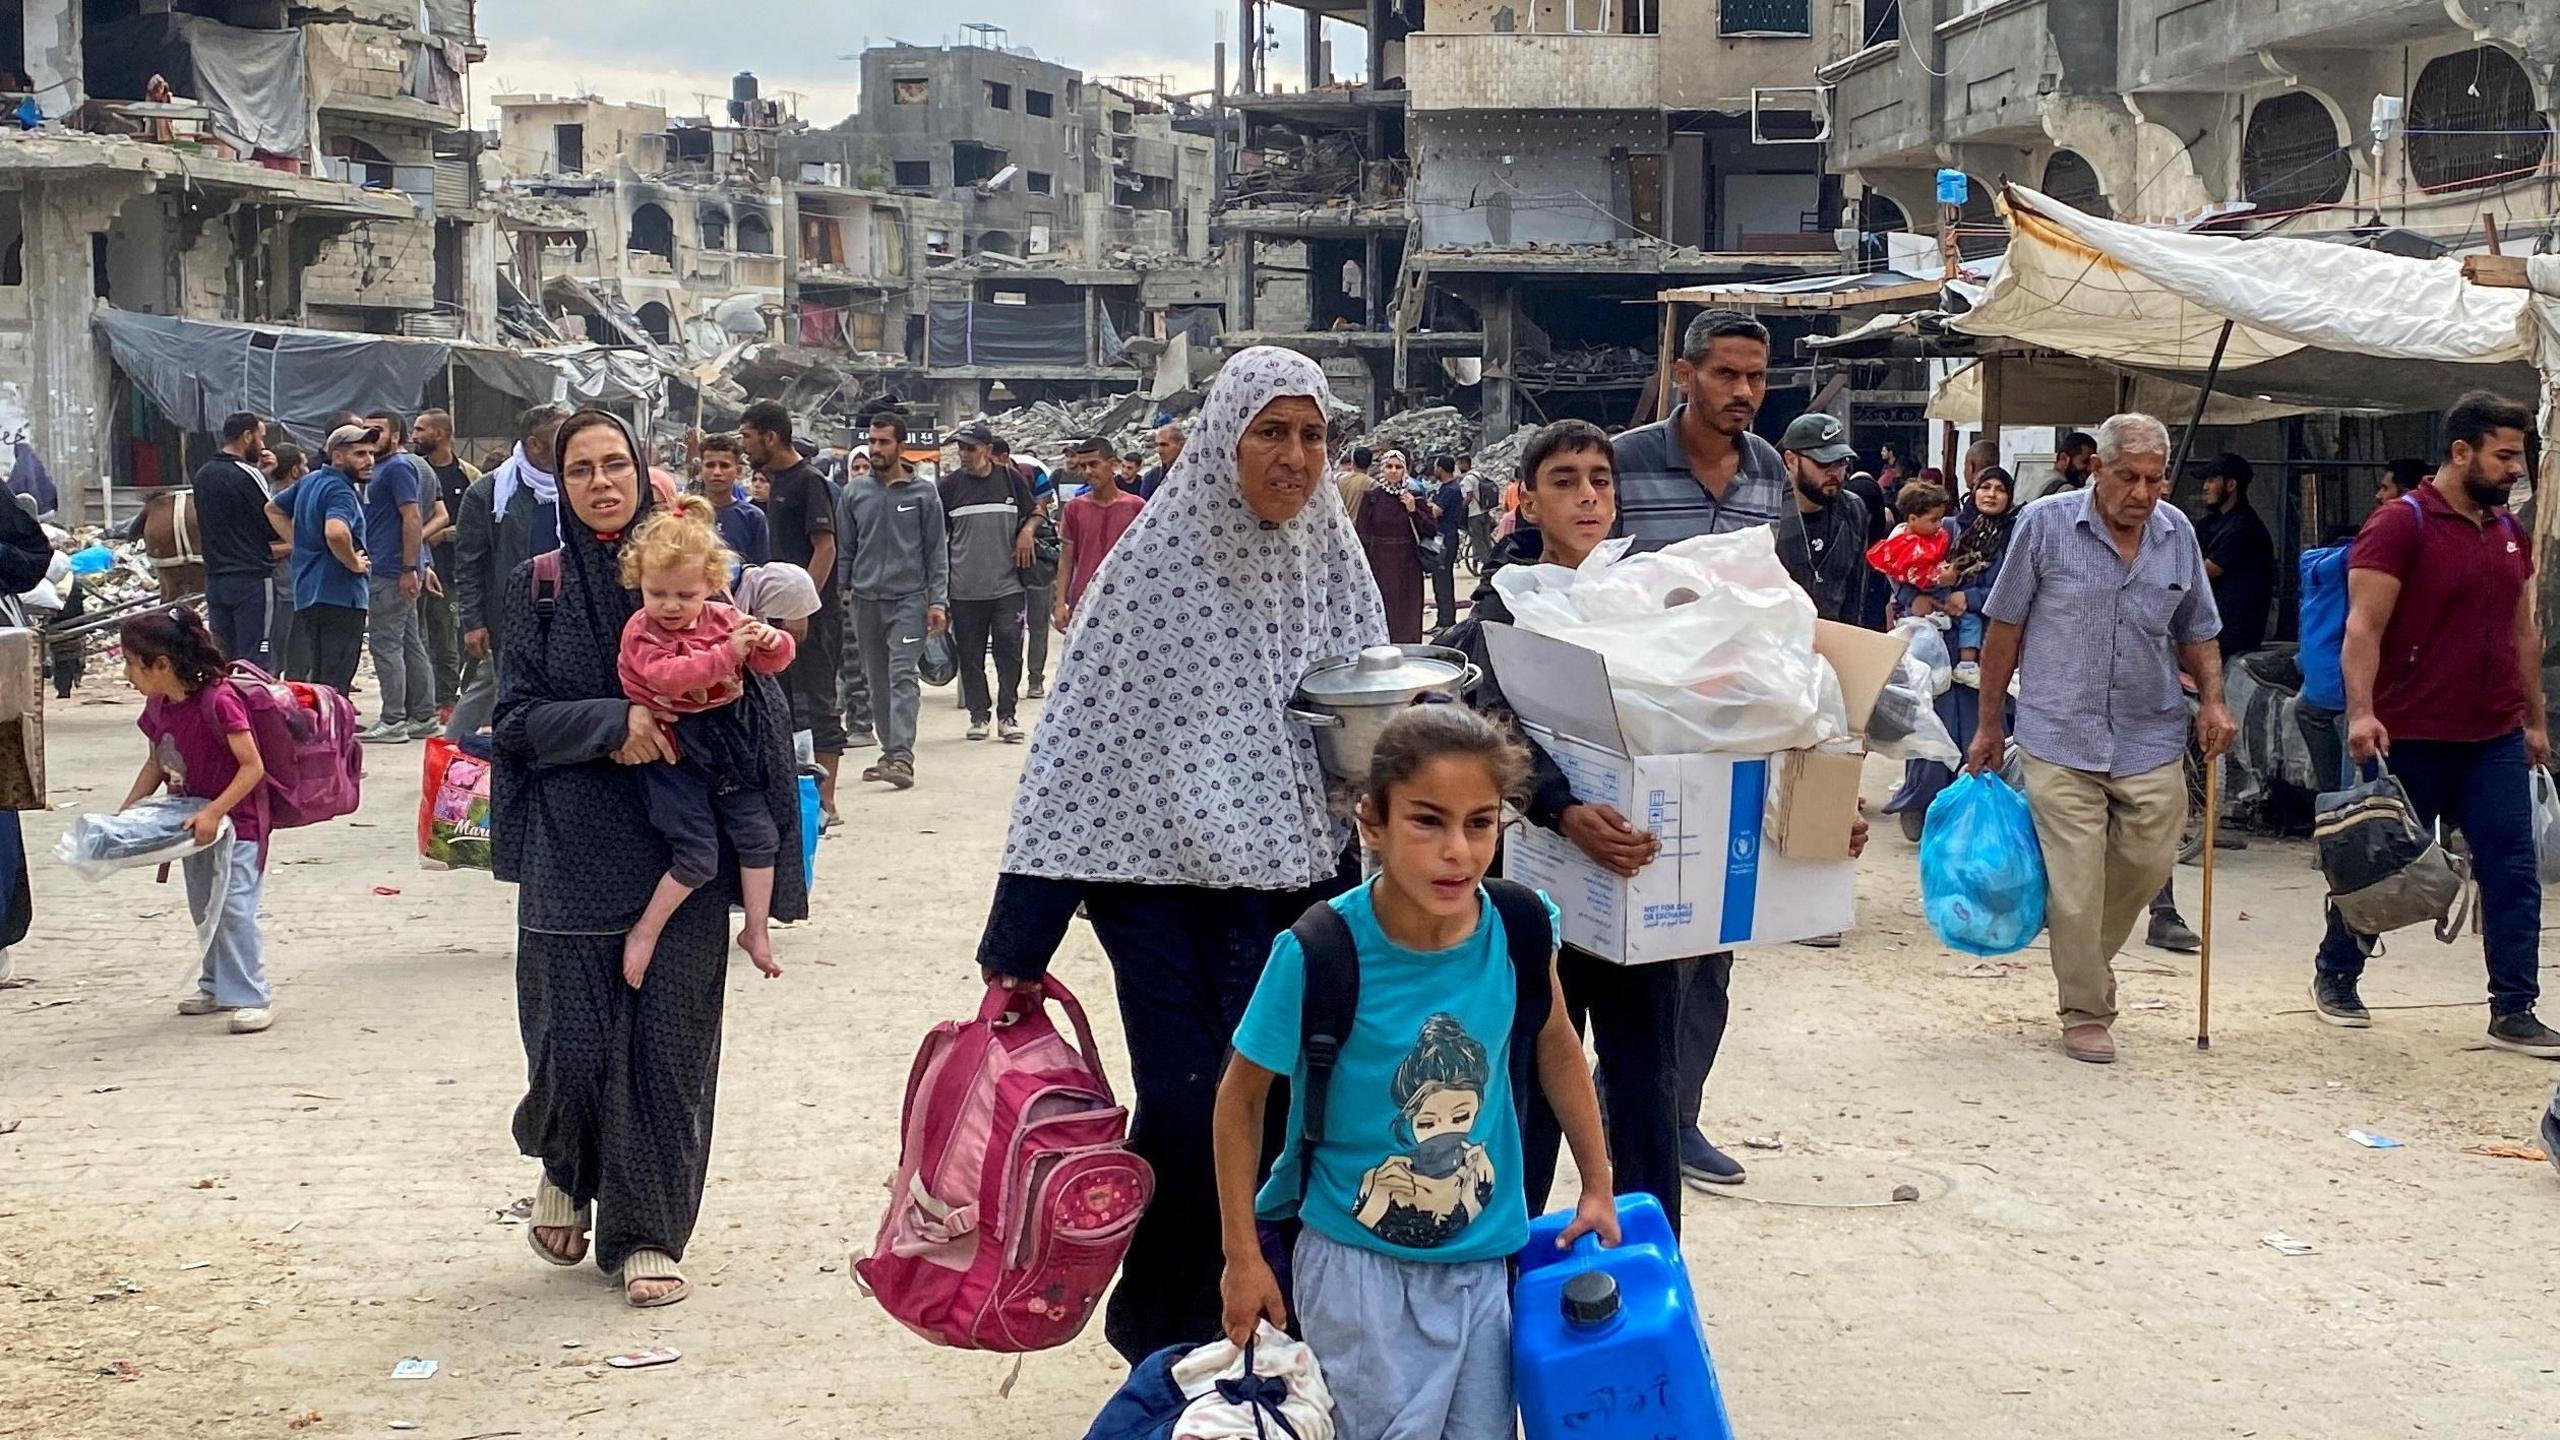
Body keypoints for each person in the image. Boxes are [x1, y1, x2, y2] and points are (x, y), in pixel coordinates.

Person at [973, 346, 1388, 1363]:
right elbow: (1078, 745)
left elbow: (1373, 713)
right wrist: (1019, 940)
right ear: (1221, 442)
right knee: (1189, 1099)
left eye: (1311, 435)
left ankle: (1263, 1310)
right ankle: (1161, 1329)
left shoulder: (1332, 559)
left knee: (1292, 1102)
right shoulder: (1153, 569)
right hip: (1154, 880)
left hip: (1296, 877)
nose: (1293, 458)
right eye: (1270, 432)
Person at [1212, 705, 1619, 1440]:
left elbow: (1556, 1046)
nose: (1457, 852)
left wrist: (1597, 1182)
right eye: (1427, 821)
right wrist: (1242, 1257)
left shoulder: (1523, 928)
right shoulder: (1318, 951)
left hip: (1486, 1268)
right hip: (1355, 1274)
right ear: (1373, 822)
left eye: (1480, 823)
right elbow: (1239, 1102)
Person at [496, 408, 808, 1310]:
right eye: (581, 468)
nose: (600, 481)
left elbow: (759, 697)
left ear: (641, 473)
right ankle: (564, 1163)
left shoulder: (698, 578)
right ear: (560, 484)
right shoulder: (537, 585)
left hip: (685, 841)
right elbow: (510, 720)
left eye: (614, 465)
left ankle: (646, 1230)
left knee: (669, 1048)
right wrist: (614, 722)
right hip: (574, 841)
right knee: (570, 1039)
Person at [1602, 308, 1805, 1186]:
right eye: (1726, 375)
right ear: (1684, 375)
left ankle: (1674, 1116)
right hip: (1629, 727)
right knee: (1601, 940)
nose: (1744, 394)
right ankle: (1593, 1108)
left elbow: (1791, 591)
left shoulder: (1767, 472)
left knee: (1711, 934)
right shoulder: (1622, 461)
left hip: (1730, 733)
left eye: (1756, 378)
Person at [1965, 412, 2236, 1065]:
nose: (2142, 494)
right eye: (2127, 477)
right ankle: (2086, 1007)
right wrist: (1989, 722)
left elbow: (2198, 629)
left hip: (2150, 733)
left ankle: (2077, 948)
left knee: (2147, 861)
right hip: (2060, 731)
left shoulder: (2176, 537)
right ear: (2096, 469)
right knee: (2078, 886)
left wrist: (2216, 703)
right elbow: (2004, 629)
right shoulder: (2044, 526)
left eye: (2153, 479)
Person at [2313, 392, 2559, 1056]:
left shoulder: (2508, 534)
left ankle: (2515, 1007)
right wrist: (2362, 711)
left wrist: (2534, 722)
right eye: (2504, 456)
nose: (2515, 470)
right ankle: (2337, 974)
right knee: (2381, 869)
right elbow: (2362, 627)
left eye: (2519, 457)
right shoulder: (2402, 524)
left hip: (2492, 736)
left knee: (2511, 868)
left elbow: (2523, 634)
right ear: (2461, 451)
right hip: (2408, 733)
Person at [614, 495, 795, 984]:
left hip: (728, 743)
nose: (670, 607)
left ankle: (756, 928)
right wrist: (726, 655)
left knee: (761, 836)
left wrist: (770, 642)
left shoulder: (722, 618)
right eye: (657, 593)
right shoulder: (640, 631)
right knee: (697, 854)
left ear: (711, 586)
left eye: (685, 595)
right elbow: (669, 676)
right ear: (639, 585)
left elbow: (772, 661)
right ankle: (647, 930)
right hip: (673, 747)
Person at [118, 607, 274, 1034]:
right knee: (205, 905)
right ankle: (215, 985)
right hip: (192, 825)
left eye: (132, 663)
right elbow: (156, 762)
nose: (128, 674)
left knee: (235, 907)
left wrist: (214, 811)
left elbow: (252, 767)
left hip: (238, 823)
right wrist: (128, 810)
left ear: (162, 664)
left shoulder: (219, 701)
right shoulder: (159, 705)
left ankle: (251, 995)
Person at [738, 401, 844, 815]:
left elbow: (826, 547)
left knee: (819, 702)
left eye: (748, 436)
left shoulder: (808, 482)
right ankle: (789, 793)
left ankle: (828, 801)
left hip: (811, 619)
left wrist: (803, 606)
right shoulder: (771, 484)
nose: (744, 447)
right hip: (774, 622)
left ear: (770, 436)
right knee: (777, 704)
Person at [840, 410, 950, 790]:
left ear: (901, 446)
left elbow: (937, 552)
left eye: (883, 442)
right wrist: (843, 589)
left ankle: (902, 755)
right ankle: (890, 753)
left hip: (910, 600)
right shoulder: (855, 493)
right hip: (865, 600)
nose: (875, 449)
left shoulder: (923, 494)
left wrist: (938, 601)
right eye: (872, 441)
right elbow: (846, 548)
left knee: (902, 674)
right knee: (876, 679)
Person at [450, 405, 568, 738]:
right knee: (508, 693)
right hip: (512, 617)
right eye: (559, 438)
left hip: (567, 613)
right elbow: (469, 563)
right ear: (534, 445)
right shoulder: (489, 493)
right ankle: (467, 762)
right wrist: (473, 622)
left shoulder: (578, 486)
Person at [937, 420, 1037, 744]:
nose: (965, 455)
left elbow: (1036, 512)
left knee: (1009, 650)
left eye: (971, 448)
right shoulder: (949, 487)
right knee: (970, 655)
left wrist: (1027, 531)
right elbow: (937, 537)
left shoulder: (1010, 480)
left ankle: (1007, 714)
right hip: (965, 589)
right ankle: (979, 714)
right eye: (961, 448)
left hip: (1008, 586)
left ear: (989, 451)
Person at [274, 423, 374, 695]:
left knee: (320, 677)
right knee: (335, 683)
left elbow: (273, 509)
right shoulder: (341, 491)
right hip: (340, 594)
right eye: (360, 454)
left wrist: (300, 544)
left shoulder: (311, 480)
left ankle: (319, 733)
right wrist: (353, 562)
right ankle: (331, 735)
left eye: (370, 453)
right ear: (338, 456)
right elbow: (336, 531)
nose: (369, 461)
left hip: (309, 592)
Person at [356, 411, 436, 743]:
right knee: (408, 642)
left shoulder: (398, 468)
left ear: (397, 435)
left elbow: (413, 516)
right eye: (365, 430)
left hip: (390, 570)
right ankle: (423, 714)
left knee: (385, 645)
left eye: (378, 430)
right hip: (391, 568)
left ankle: (393, 720)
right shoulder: (378, 469)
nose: (370, 435)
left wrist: (409, 567)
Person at [192, 412, 281, 668]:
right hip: (250, 580)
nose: (263, 447)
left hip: (216, 580)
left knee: (224, 658)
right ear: (247, 436)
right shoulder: (246, 474)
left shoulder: (204, 474)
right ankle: (253, 708)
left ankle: (228, 707)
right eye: (261, 438)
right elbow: (272, 522)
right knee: (255, 660)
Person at [1776, 413, 1869, 624]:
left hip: (1832, 642)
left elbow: (1856, 591)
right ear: (1791, 460)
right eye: (1824, 463)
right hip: (1777, 642)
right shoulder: (1766, 511)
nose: (1836, 473)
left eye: (1842, 462)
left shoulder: (1853, 509)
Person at [413, 411, 478, 708]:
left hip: (459, 568)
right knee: (432, 636)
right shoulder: (417, 472)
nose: (414, 435)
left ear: (440, 434)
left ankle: (454, 698)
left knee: (459, 636)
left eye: (420, 429)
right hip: (421, 565)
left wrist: (445, 534)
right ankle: (438, 698)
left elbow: (477, 523)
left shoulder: (469, 475)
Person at [1052, 434, 1143, 634]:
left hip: (1125, 601)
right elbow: (1066, 559)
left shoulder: (1136, 507)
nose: (1088, 472)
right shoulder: (1074, 508)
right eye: (1083, 467)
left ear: (1112, 464)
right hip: (1084, 599)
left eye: (1094, 464)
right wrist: (1060, 603)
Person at [1939, 466, 2018, 687]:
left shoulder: (2014, 534)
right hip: (1946, 632)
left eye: (2000, 489)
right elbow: (1910, 566)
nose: (1991, 494)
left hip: (1991, 638)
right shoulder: (1948, 527)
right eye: (1985, 487)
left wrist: (1969, 598)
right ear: (1974, 492)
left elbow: (2017, 590)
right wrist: (1941, 595)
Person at [2196, 453, 2276, 658]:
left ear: (2231, 484)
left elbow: (2201, 573)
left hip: (2230, 637)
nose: (2205, 487)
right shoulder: (2212, 524)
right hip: (2209, 628)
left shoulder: (2245, 529)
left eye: (2212, 480)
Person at [995, 437, 1057, 699]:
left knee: (1038, 622)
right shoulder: (985, 480)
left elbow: (1042, 506)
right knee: (1009, 627)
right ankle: (1010, 681)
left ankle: (1035, 678)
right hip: (1003, 560)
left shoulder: (1032, 471)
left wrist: (1027, 530)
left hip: (1036, 558)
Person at [1353, 448, 1432, 643]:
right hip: (1380, 565)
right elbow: (1362, 534)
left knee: (1407, 613)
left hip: (1408, 566)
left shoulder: (1414, 496)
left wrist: (1413, 509)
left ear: (1405, 470)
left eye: (1398, 467)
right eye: (1389, 466)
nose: (1393, 471)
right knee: (1383, 610)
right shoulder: (1372, 498)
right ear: (1382, 469)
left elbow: (1430, 529)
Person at [1870, 481, 1953, 622]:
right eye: (1934, 520)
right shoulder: (1899, 544)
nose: (1939, 524)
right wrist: (1913, 597)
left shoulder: (1935, 535)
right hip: (1909, 606)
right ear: (1912, 519)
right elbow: (1899, 576)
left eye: (1940, 519)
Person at [262, 445, 306, 673]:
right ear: (295, 471)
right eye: (304, 464)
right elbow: (269, 547)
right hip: (288, 584)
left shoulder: (264, 493)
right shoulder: (287, 502)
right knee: (287, 647)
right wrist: (301, 545)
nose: (307, 469)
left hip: (283, 584)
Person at [695, 434, 769, 566]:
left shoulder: (753, 517)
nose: (717, 472)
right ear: (701, 469)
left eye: (724, 466)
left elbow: (761, 568)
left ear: (738, 471)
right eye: (710, 465)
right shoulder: (689, 513)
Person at [1429, 454, 1467, 629]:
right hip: (1445, 538)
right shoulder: (1447, 488)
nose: (1434, 470)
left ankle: (1446, 621)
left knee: (1443, 580)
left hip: (1446, 539)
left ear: (1441, 469)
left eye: (1436, 467)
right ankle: (1442, 620)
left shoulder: (1450, 490)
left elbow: (1436, 512)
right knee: (1439, 580)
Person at [1140, 422, 1184, 501]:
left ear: (1180, 445)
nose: (1158, 450)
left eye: (1164, 445)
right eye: (1157, 445)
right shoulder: (1151, 477)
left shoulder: (1195, 474)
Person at [2044, 431, 2097, 496]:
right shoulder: (2066, 490)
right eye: (2085, 462)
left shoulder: (2035, 480)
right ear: (2064, 458)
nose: (2090, 469)